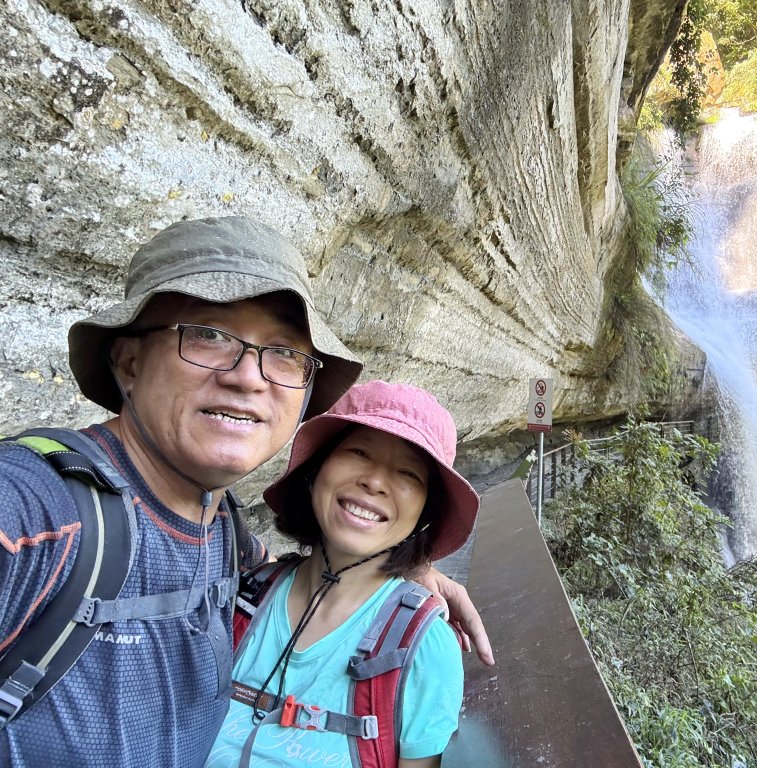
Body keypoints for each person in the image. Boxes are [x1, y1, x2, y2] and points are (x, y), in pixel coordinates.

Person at [0, 216, 492, 768]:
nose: (249, 377)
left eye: (284, 351)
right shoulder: (36, 513)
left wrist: (406, 564)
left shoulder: (226, 538)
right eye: (208, 334)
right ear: (129, 361)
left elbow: (321, 568)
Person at [207, 380, 479, 767]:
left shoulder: (423, 649)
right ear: (315, 471)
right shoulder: (244, 594)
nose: (375, 482)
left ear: (424, 514)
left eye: (408, 474)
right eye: (358, 452)